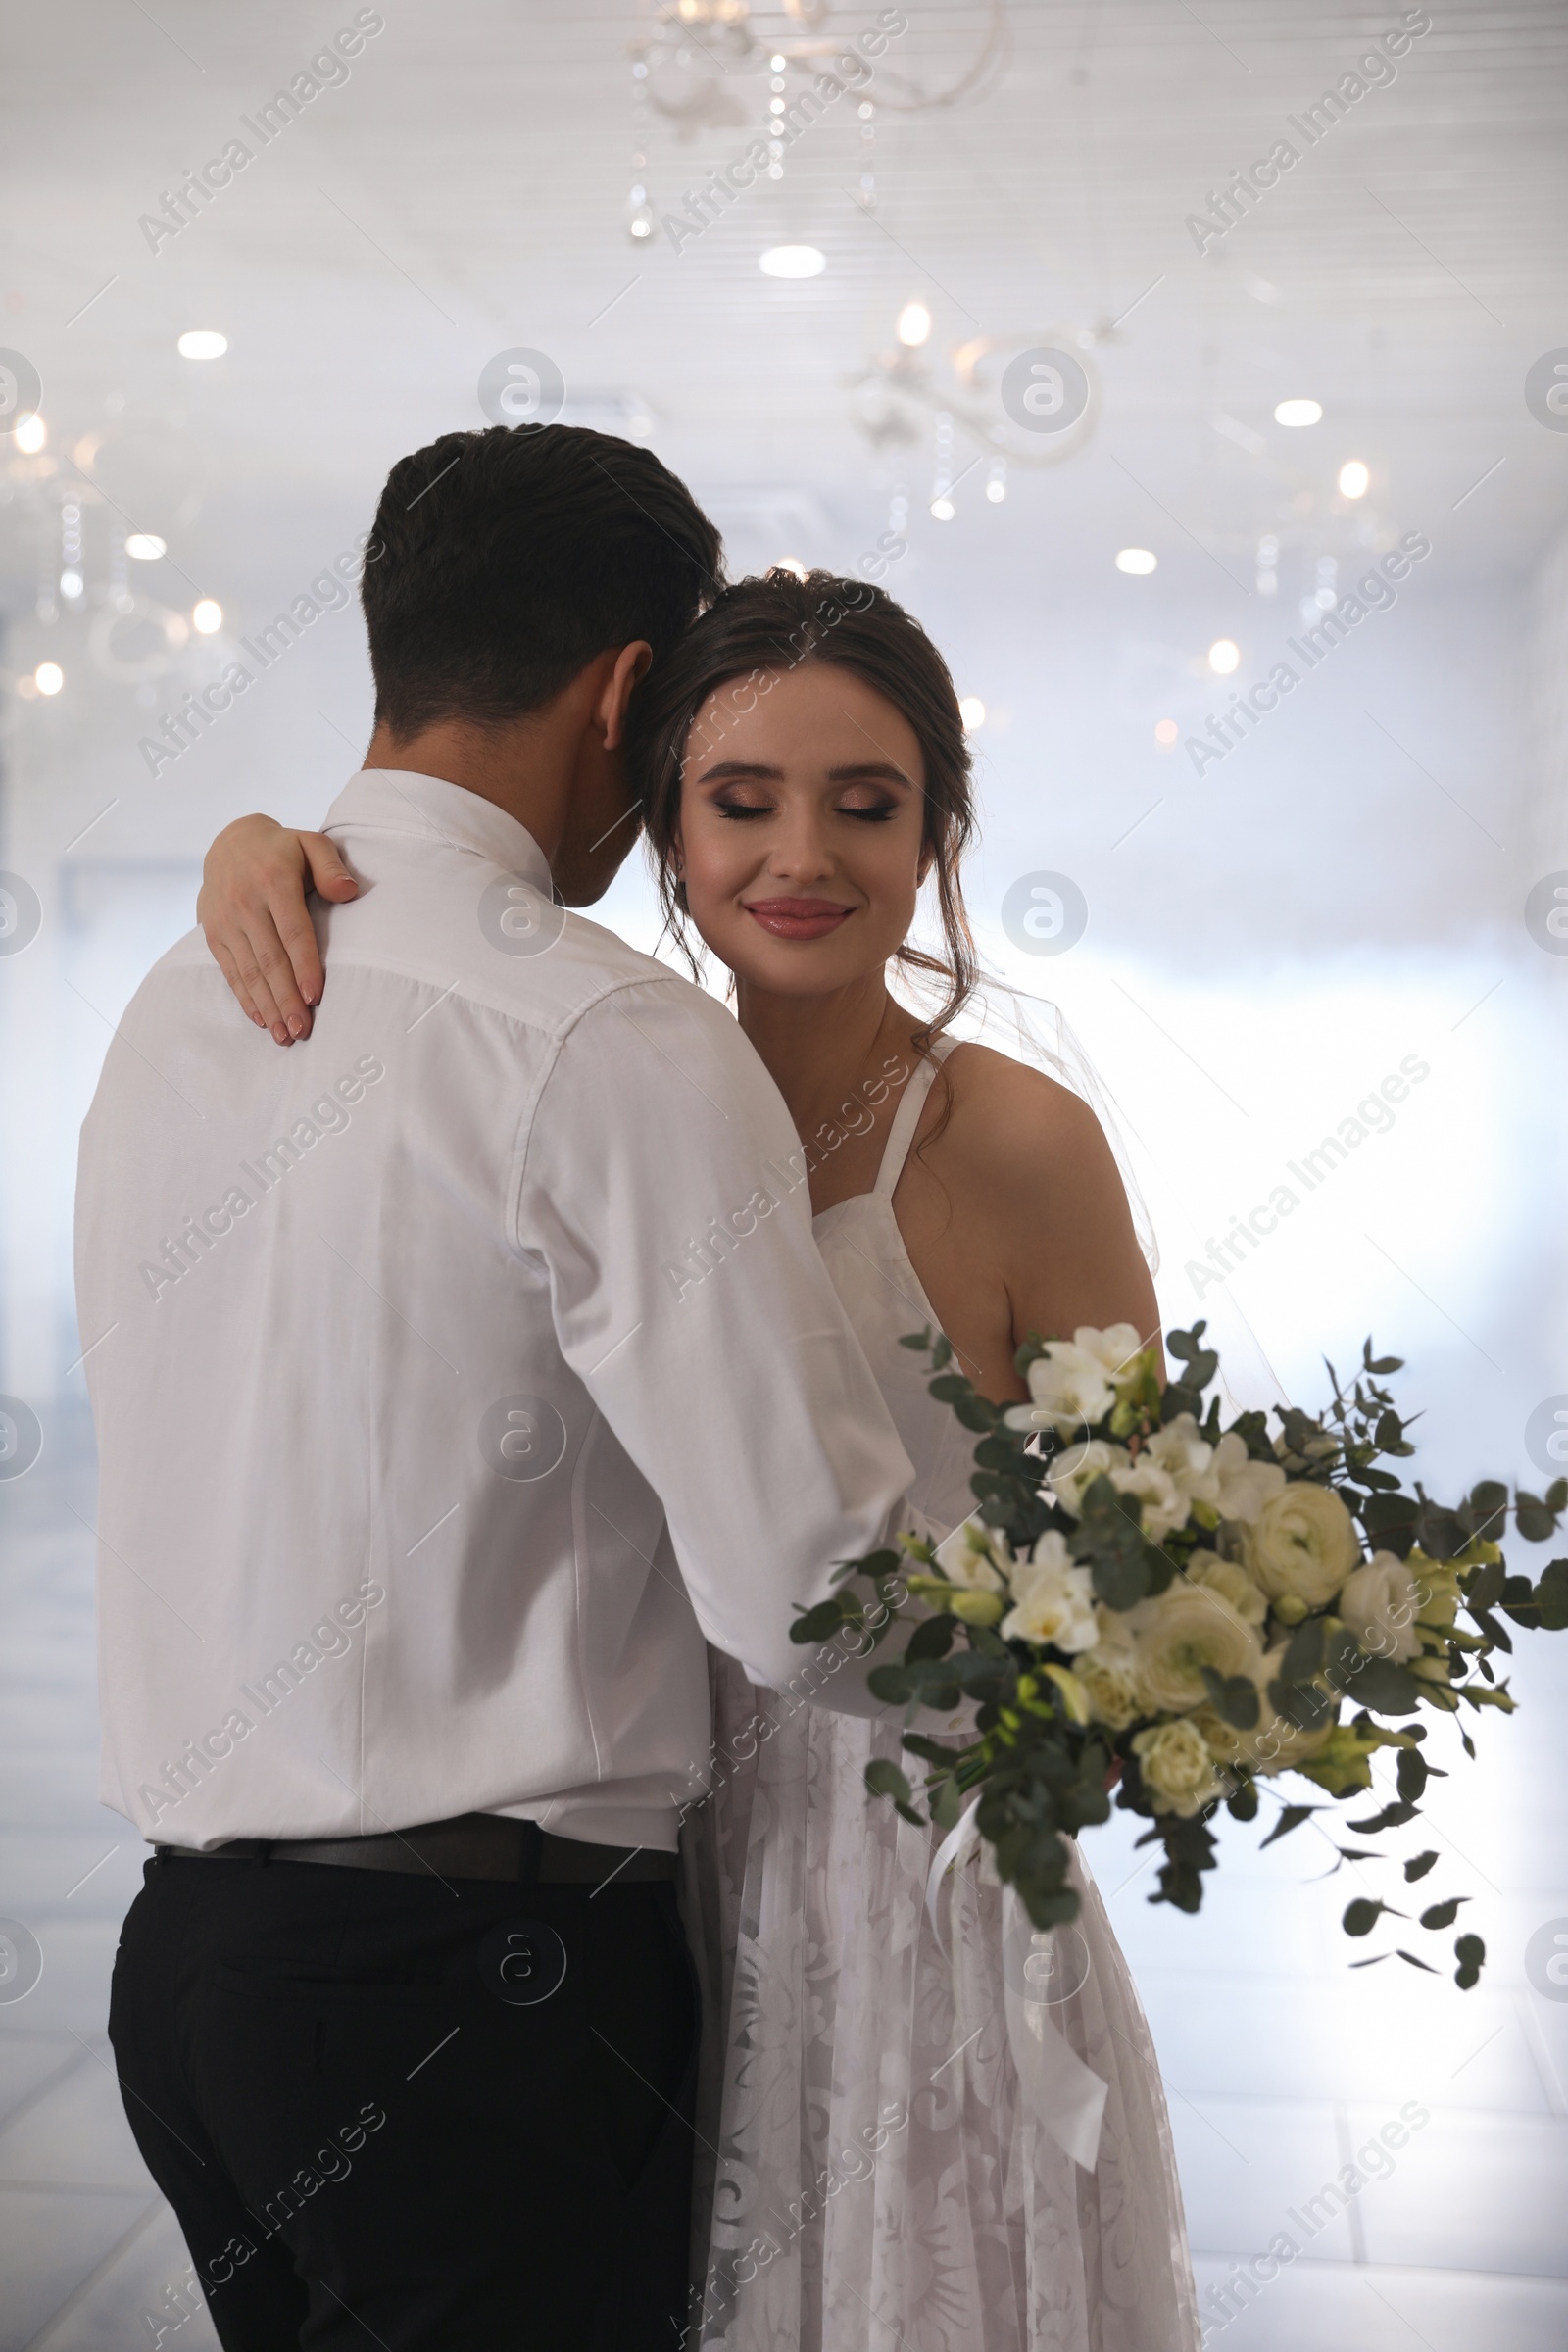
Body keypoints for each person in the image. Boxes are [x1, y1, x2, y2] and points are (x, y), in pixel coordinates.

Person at [200, 566, 1202, 2351]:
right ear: (660, 818)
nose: (799, 852)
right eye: (740, 801)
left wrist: (1096, 1706)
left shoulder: (1020, 1142)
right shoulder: (616, 1088)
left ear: (938, 832)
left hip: (923, 1903)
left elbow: (1163, 1550)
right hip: (637, 1886)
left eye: (866, 802)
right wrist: (255, 849)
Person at [74, 429, 923, 2352]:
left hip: (194, 1979)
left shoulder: (183, 993)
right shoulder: (602, 1033)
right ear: (631, 692)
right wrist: (1082, 1680)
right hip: (481, 1991)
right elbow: (815, 1582)